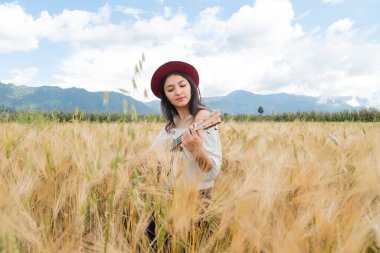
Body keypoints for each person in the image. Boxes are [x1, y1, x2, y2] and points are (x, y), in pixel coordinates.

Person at [146, 60, 222, 248]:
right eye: (170, 89)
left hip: (196, 202)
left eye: (182, 85)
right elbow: (151, 156)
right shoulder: (171, 125)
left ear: (192, 87)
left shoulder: (204, 119)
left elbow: (213, 173)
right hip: (167, 198)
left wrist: (197, 150)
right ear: (166, 96)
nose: (178, 92)